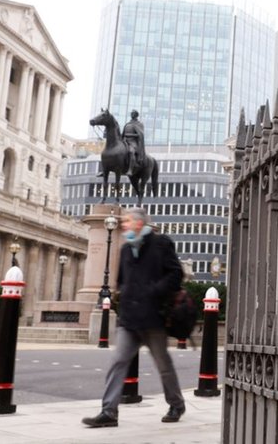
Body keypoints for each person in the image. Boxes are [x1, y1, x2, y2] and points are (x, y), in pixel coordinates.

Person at [82, 207, 186, 428]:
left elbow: (176, 273)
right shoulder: (127, 249)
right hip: (129, 319)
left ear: (139, 223)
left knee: (162, 364)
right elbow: (121, 281)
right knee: (118, 362)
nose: (124, 225)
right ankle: (108, 412)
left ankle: (176, 404)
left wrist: (154, 291)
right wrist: (126, 297)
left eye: (128, 221)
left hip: (153, 317)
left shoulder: (161, 244)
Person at [123, 110, 145, 175]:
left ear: (136, 115)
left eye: (133, 114)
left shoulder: (139, 124)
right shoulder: (127, 124)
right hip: (125, 141)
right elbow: (123, 134)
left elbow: (140, 135)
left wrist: (129, 135)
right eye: (131, 113)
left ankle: (130, 169)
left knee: (131, 152)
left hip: (133, 142)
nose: (132, 115)